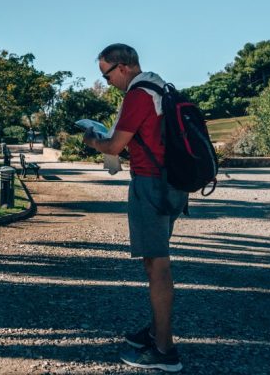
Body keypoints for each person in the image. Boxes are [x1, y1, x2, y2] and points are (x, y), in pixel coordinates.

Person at [82, 43, 187, 373]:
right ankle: (156, 331)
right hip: (170, 182)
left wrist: (91, 140)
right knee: (154, 261)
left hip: (151, 185)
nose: (107, 80)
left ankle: (166, 352)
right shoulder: (160, 86)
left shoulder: (138, 95)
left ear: (122, 66)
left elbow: (114, 145)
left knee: (158, 265)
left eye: (106, 74)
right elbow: (147, 140)